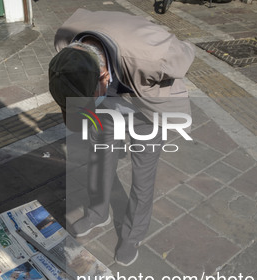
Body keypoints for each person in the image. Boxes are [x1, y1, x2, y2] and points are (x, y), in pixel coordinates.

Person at [48, 9, 195, 266]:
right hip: (108, 102)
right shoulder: (64, 48)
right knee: (99, 156)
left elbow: (186, 52)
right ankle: (98, 212)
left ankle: (132, 235)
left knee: (143, 176)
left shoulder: (155, 55)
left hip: (146, 108)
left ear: (104, 77)